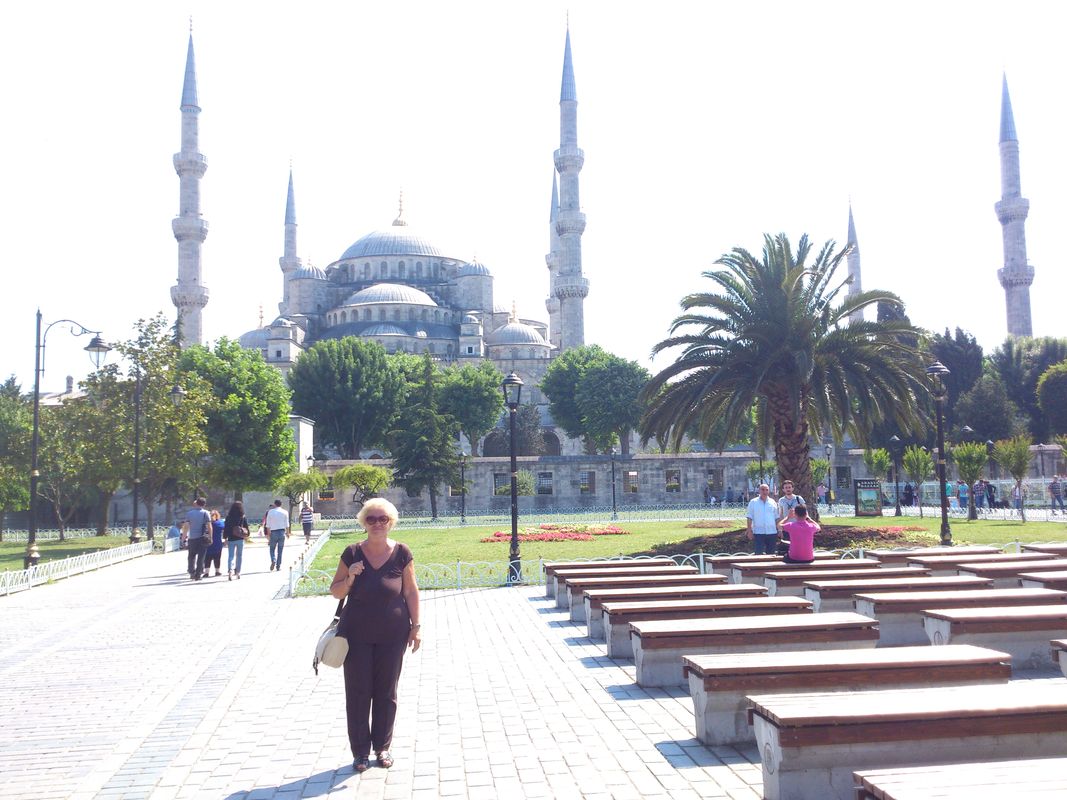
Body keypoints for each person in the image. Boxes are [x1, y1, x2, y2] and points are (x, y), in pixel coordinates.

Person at [329, 498, 421, 774]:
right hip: (355, 634)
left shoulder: (402, 552)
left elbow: (410, 591)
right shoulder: (352, 552)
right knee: (358, 693)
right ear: (364, 523)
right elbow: (336, 591)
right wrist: (351, 578)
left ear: (391, 522)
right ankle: (359, 753)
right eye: (372, 519)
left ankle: (382, 747)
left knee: (386, 692)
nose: (378, 524)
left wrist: (416, 626)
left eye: (383, 519)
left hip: (393, 634)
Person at [746, 483, 779, 556]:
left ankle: (770, 568)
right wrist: (749, 530)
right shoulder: (753, 502)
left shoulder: (773, 502)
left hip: (772, 532)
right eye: (763, 489)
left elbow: (776, 517)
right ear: (759, 491)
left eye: (766, 490)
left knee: (771, 554)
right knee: (758, 554)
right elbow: (749, 517)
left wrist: (779, 530)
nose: (765, 492)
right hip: (758, 533)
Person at [185, 498, 211, 581]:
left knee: (191, 556)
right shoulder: (206, 513)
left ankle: (191, 572)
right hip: (202, 538)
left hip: (192, 538)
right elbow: (209, 526)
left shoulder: (189, 513)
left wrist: (184, 537)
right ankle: (198, 574)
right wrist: (211, 536)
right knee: (201, 557)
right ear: (204, 504)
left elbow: (186, 526)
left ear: (196, 503)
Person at [223, 500, 249, 580]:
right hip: (240, 538)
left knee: (231, 556)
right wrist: (247, 535)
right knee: (239, 555)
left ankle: (230, 570)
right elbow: (246, 527)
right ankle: (238, 572)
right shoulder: (242, 517)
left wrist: (225, 537)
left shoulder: (228, 517)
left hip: (231, 538)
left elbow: (226, 528)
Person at [264, 499, 291, 572]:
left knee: (272, 548)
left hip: (273, 532)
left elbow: (268, 525)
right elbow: (287, 524)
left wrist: (269, 535)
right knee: (280, 550)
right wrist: (288, 533)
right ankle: (278, 566)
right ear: (281, 504)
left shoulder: (271, 512)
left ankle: (273, 560)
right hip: (282, 532)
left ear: (274, 504)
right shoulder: (285, 512)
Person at [204, 510, 224, 577]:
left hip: (208, 542)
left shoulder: (206, 524)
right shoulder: (220, 523)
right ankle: (217, 571)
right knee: (217, 557)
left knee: (207, 557)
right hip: (217, 543)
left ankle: (206, 572)